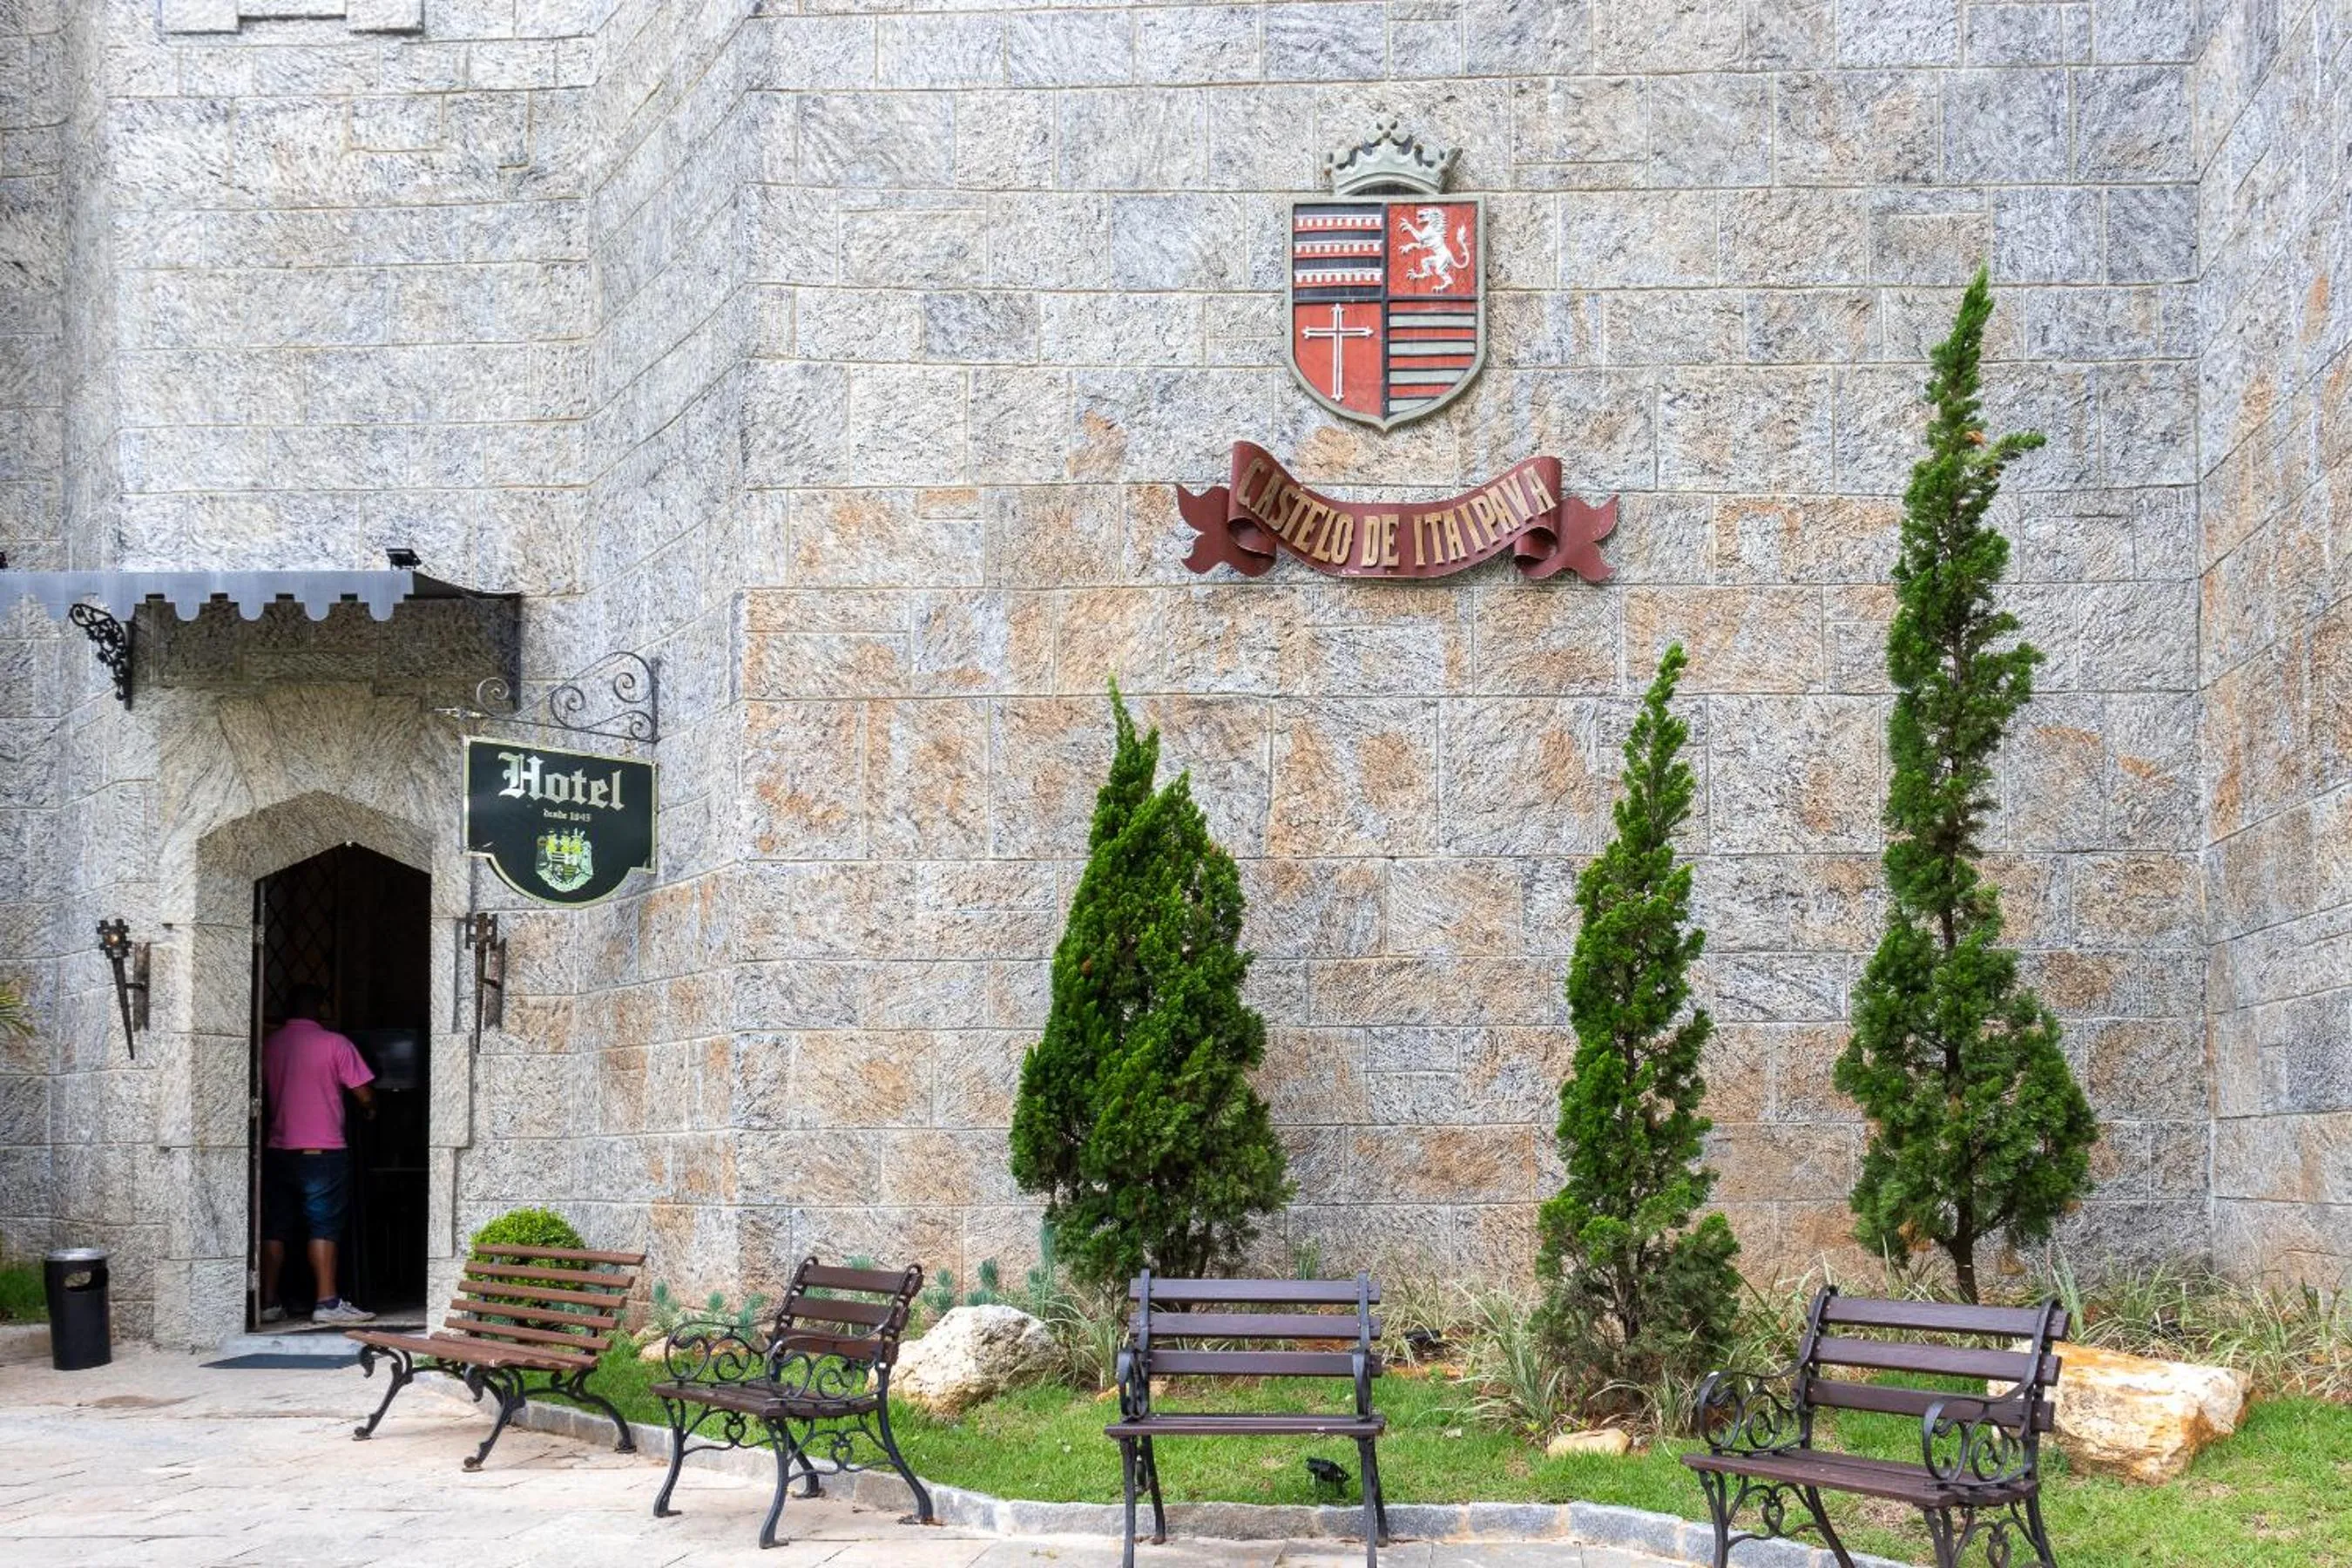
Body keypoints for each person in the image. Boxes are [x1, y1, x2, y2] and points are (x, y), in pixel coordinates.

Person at [259, 983, 377, 1325]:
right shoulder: (335, 1044)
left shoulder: (271, 1045)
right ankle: (326, 1303)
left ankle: (267, 1301)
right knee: (323, 1226)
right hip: (323, 1151)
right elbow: (364, 1094)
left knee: (275, 1228)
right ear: (321, 1008)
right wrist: (371, 1111)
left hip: (279, 1148)